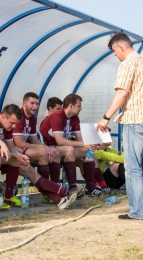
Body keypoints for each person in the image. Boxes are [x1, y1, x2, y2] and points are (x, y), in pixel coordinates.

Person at [0, 104, 78, 209]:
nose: (14, 127)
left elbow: (11, 146)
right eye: (12, 123)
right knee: (3, 159)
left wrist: (20, 156)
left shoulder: (8, 126)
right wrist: (15, 155)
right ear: (3, 116)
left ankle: (61, 197)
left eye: (15, 124)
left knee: (30, 170)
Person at [96, 32, 143, 220]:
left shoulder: (128, 63)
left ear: (121, 47)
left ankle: (137, 211)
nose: (115, 55)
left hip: (134, 120)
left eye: (115, 51)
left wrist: (105, 117)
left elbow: (122, 93)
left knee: (132, 168)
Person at [13, 92, 83, 204]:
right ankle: (47, 193)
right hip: (16, 150)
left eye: (37, 104)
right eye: (32, 103)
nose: (35, 107)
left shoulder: (31, 118)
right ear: (24, 103)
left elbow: (35, 140)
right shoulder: (19, 116)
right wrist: (44, 149)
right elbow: (19, 143)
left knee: (53, 151)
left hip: (26, 149)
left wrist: (46, 148)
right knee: (43, 153)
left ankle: (57, 189)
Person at [40, 93, 111, 196]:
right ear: (71, 106)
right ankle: (73, 188)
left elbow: (80, 140)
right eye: (79, 106)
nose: (81, 108)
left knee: (90, 151)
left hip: (62, 148)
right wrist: (83, 144)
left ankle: (92, 187)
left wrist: (91, 145)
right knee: (70, 150)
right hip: (49, 148)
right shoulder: (57, 116)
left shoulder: (75, 118)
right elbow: (60, 141)